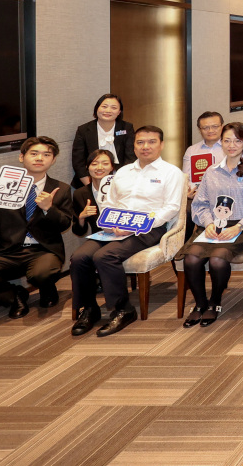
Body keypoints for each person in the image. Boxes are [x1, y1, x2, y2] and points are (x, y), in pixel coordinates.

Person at [69, 126, 184, 337]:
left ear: (161, 145)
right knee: (79, 257)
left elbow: (171, 208)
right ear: (134, 146)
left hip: (149, 228)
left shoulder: (171, 172)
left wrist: (136, 225)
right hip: (116, 226)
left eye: (151, 142)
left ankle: (123, 309)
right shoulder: (122, 172)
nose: (145, 146)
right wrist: (109, 223)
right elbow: (109, 203)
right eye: (140, 142)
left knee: (105, 256)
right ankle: (90, 308)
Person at [0, 136, 74, 318]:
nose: (40, 158)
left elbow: (65, 224)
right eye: (34, 153)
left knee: (42, 274)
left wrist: (49, 209)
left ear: (53, 160)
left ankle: (47, 287)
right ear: (22, 157)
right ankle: (15, 296)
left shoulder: (61, 189)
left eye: (46, 155)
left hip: (43, 250)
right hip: (7, 250)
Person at [176, 122, 243, 327]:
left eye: (237, 141)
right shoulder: (211, 171)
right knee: (191, 258)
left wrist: (238, 226)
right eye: (227, 141)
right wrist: (209, 223)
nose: (231, 145)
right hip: (215, 225)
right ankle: (200, 304)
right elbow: (200, 204)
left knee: (218, 259)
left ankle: (215, 301)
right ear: (221, 143)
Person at [70, 93, 133, 188]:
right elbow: (78, 162)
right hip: (89, 180)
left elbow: (131, 157)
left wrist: (121, 183)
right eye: (104, 106)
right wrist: (92, 187)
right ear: (97, 108)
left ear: (119, 112)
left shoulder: (126, 128)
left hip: (121, 180)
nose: (108, 111)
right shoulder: (83, 130)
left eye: (113, 108)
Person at [72, 149, 116, 237]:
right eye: (94, 164)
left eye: (105, 163)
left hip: (124, 235)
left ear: (112, 167)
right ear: (87, 167)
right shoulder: (80, 194)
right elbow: (79, 232)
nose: (99, 167)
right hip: (100, 237)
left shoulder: (122, 189)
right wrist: (81, 218)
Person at [182, 111, 225, 199]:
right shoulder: (191, 150)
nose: (210, 131)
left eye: (215, 126)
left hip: (224, 197)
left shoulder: (231, 148)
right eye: (205, 128)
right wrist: (190, 191)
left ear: (222, 126)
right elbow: (186, 178)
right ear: (200, 130)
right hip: (197, 199)